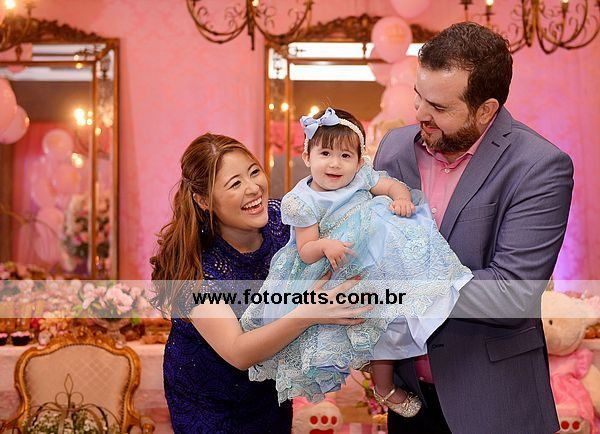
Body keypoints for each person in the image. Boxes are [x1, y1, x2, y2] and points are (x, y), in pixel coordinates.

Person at [374, 22, 574, 433]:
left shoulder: (538, 166)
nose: (420, 115)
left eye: (439, 107)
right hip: (410, 400)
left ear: (486, 109)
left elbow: (512, 293)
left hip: (494, 402)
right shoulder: (395, 148)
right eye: (418, 96)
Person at [241, 108, 472, 416]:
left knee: (389, 320)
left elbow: (391, 186)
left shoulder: (361, 178)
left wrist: (401, 198)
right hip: (333, 270)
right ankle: (379, 380)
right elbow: (305, 249)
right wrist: (325, 245)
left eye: (345, 156)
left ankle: (383, 384)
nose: (335, 163)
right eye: (325, 153)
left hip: (374, 264)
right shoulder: (303, 200)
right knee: (359, 323)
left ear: (360, 161)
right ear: (307, 156)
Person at [151, 133, 371, 433]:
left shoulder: (284, 220)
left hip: (268, 395)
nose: (253, 188)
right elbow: (238, 352)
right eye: (235, 184)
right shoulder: (196, 269)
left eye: (254, 172)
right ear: (203, 200)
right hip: (211, 408)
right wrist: (309, 313)